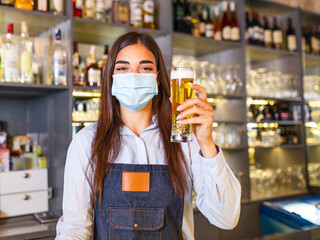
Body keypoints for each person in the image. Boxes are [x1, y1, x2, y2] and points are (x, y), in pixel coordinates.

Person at [56, 31, 241, 240]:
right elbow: (74, 230)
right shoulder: (87, 142)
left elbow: (226, 218)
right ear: (111, 78)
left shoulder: (184, 141)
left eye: (145, 68)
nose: (133, 76)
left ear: (158, 79)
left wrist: (206, 143)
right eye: (123, 68)